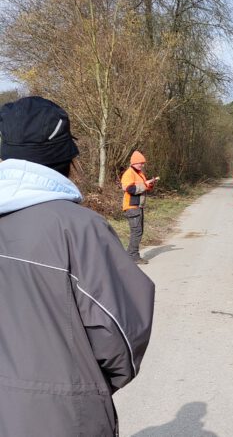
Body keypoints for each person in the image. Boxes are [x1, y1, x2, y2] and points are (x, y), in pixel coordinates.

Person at [0, 96, 155, 436]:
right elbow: (123, 337)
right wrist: (90, 388)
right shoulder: (80, 229)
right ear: (64, 158)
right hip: (62, 415)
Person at [121, 149, 158, 264]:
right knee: (136, 231)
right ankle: (133, 256)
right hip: (132, 206)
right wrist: (145, 185)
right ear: (133, 162)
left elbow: (142, 186)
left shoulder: (138, 173)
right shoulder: (129, 173)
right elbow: (130, 189)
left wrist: (149, 184)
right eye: (140, 163)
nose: (142, 165)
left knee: (139, 231)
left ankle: (132, 255)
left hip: (138, 206)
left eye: (143, 163)